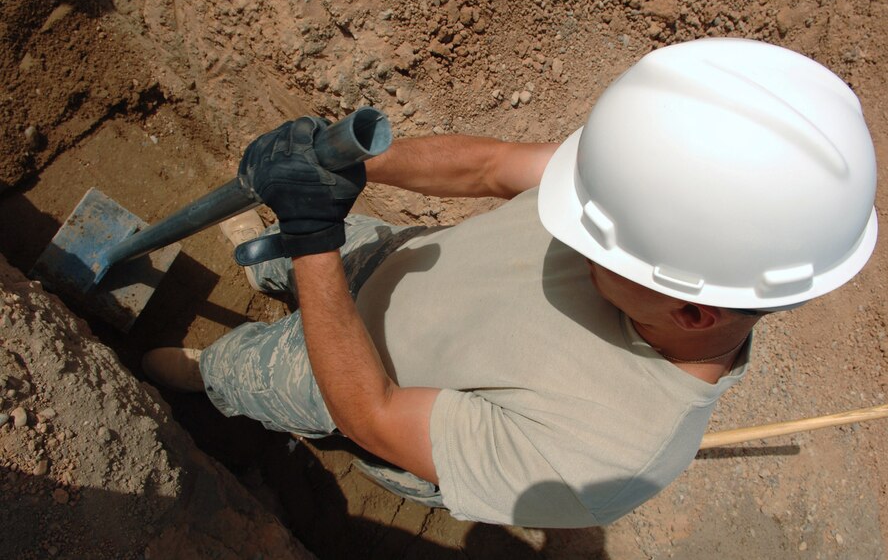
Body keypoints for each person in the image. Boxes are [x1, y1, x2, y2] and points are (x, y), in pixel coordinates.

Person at [142, 38, 878, 527]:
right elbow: (492, 168)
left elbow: (374, 410)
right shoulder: (652, 197)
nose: (566, 227)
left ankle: (213, 372)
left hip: (352, 379)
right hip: (394, 260)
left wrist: (312, 240)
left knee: (245, 367)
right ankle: (283, 261)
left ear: (693, 311)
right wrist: (342, 169)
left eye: (593, 245)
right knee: (294, 251)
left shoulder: (608, 455)